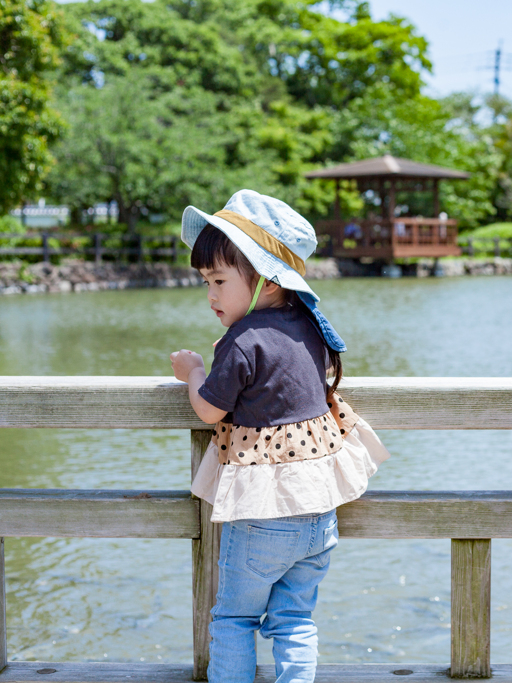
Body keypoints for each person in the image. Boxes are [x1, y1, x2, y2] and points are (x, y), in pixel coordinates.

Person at [169, 189, 390, 683]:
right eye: (206, 282)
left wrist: (194, 371)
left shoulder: (243, 341)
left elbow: (208, 408)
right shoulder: (310, 328)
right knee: (294, 620)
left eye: (220, 281)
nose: (210, 296)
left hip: (263, 518)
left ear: (266, 281)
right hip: (318, 515)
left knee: (233, 619)